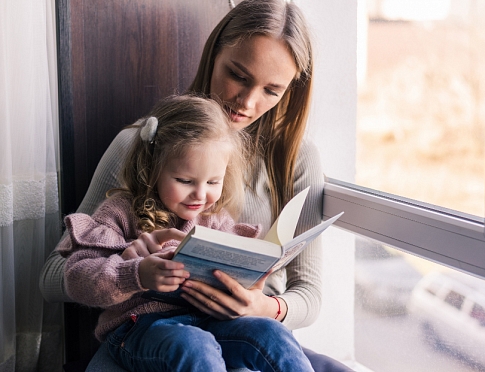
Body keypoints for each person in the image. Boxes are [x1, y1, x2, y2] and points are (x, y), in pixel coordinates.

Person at [40, 0, 347, 371]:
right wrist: (133, 264)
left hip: (247, 330)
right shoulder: (142, 145)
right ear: (213, 53)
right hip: (153, 329)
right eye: (238, 75)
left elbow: (310, 293)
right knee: (192, 349)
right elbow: (53, 275)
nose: (248, 102)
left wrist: (264, 305)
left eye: (272, 91)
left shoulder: (297, 159)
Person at [56, 94, 314, 372]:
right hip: (138, 328)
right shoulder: (119, 212)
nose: (200, 195)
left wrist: (248, 284)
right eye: (185, 181)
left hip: (209, 323)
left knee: (272, 334)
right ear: (152, 168)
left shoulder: (216, 220)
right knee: (192, 344)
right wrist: (137, 273)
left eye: (214, 181)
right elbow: (77, 278)